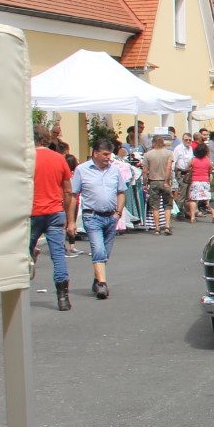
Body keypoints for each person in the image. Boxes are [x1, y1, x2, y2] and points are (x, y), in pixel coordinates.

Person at [71, 138, 126, 300]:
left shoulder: (114, 170)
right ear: (95, 153)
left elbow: (121, 192)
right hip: (92, 216)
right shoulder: (82, 170)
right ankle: (102, 284)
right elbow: (74, 195)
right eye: (105, 154)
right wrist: (72, 221)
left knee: (105, 253)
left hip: (110, 217)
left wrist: (118, 213)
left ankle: (97, 280)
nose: (108, 157)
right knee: (99, 250)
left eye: (110, 154)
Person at [30, 124, 73, 311]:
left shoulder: (26, 158)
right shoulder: (59, 159)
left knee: (23, 249)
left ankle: (21, 289)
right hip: (55, 211)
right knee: (58, 255)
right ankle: (63, 297)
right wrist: (68, 217)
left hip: (32, 211)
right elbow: (68, 190)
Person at [142, 134, 174, 235]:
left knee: (155, 205)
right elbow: (168, 168)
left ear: (154, 143)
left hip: (153, 181)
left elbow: (145, 170)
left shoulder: (148, 154)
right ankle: (167, 226)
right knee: (167, 205)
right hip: (165, 181)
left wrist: (145, 183)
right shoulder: (169, 153)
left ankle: (156, 228)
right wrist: (166, 181)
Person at [188, 140, 214, 224]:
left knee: (193, 199)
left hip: (195, 181)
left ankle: (192, 216)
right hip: (205, 181)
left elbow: (188, 168)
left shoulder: (193, 160)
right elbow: (210, 170)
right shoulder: (208, 160)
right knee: (207, 199)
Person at [172, 133, 194, 221]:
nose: (188, 141)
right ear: (182, 140)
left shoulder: (190, 148)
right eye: (186, 140)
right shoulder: (178, 149)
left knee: (188, 193)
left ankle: (185, 211)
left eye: (189, 140)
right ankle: (179, 212)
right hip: (180, 172)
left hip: (188, 173)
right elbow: (174, 161)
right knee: (182, 193)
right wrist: (173, 174)